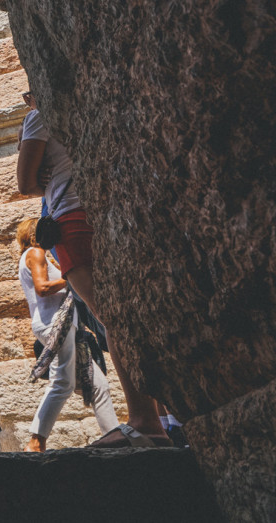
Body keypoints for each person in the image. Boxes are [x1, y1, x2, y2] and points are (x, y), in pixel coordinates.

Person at [17, 91, 169, 447]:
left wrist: (30, 146)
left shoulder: (40, 117)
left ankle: (146, 422)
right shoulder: (94, 99)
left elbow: (26, 184)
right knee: (133, 313)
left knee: (113, 318)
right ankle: (167, 415)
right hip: (111, 209)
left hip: (71, 220)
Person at [17, 218, 117, 451]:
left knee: (98, 386)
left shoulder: (32, 256)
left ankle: (113, 436)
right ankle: (35, 441)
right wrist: (72, 276)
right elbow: (42, 289)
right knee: (62, 381)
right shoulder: (36, 253)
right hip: (56, 324)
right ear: (34, 234)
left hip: (60, 324)